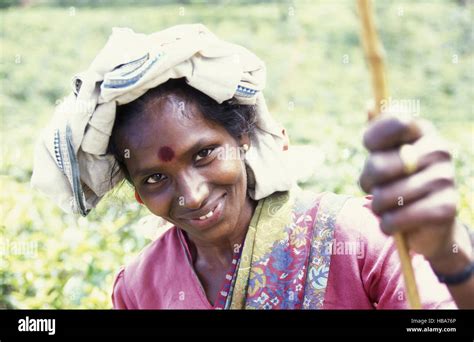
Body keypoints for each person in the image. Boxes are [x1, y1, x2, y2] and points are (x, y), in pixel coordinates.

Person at [31, 24, 474, 309]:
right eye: (155, 178)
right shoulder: (140, 288)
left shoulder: (357, 237)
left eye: (203, 154)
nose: (193, 195)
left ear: (242, 137)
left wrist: (453, 257)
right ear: (136, 192)